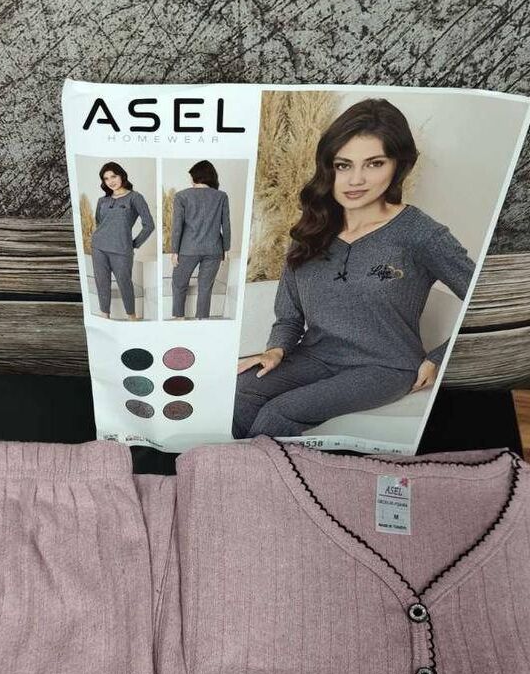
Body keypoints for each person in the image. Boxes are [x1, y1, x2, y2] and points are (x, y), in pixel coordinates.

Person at [234, 99, 476, 439]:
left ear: (398, 165)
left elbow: (485, 299)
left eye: (374, 163)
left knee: (280, 413)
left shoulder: (421, 234)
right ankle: (212, 470)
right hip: (316, 356)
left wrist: (440, 356)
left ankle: (249, 475)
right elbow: (289, 317)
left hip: (385, 367)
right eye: (343, 165)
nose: (355, 179)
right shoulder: (310, 230)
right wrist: (275, 350)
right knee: (239, 393)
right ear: (328, 168)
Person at [90, 163, 155, 320]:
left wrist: (134, 243)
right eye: (106, 178)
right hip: (99, 247)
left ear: (122, 175)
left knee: (124, 283)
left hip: (121, 250)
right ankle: (105, 317)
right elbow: (99, 223)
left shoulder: (135, 197)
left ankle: (132, 317)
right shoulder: (102, 201)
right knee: (102, 283)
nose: (110, 181)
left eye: (113, 176)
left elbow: (149, 225)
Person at [169, 160, 231, 319]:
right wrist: (226, 249)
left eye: (191, 176)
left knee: (179, 283)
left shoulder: (182, 196)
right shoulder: (221, 196)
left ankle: (179, 318)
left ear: (196, 176)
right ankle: (201, 320)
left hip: (188, 249)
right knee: (205, 288)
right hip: (214, 249)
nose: (190, 180)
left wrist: (174, 251)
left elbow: (177, 226)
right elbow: (226, 224)